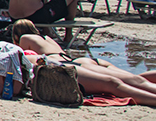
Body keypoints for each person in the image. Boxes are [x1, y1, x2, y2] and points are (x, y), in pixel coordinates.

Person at [10, 21, 156, 106]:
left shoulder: (24, 39)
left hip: (61, 64)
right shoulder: (47, 37)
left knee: (114, 84)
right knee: (134, 79)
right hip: (74, 60)